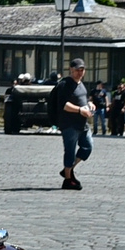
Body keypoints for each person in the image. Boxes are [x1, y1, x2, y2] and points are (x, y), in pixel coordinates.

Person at [51, 58, 94, 189]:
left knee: (87, 146)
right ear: (71, 69)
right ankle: (68, 179)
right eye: (77, 70)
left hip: (82, 124)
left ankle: (67, 170)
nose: (80, 73)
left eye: (82, 70)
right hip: (69, 124)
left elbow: (82, 99)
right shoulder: (65, 84)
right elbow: (64, 105)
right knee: (69, 151)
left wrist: (89, 104)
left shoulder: (81, 84)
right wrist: (80, 110)